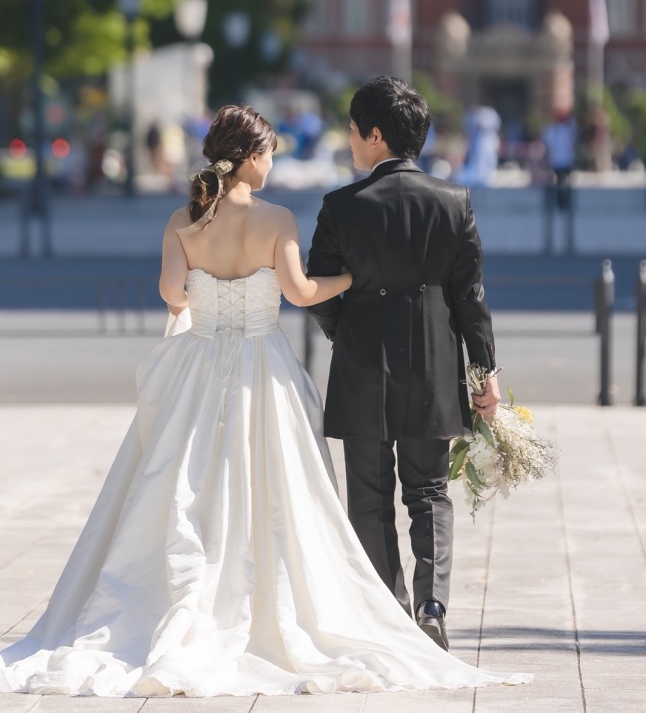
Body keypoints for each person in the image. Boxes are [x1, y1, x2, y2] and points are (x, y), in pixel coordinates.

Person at [0, 105, 526, 697]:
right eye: (270, 154)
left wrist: (208, 289)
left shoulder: (184, 218)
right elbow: (301, 292)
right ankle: (407, 609)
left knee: (189, 483)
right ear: (251, 157)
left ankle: (205, 596)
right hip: (263, 366)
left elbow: (173, 294)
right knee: (290, 486)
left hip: (198, 366)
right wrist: (350, 282)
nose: (272, 164)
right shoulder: (277, 219)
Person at [306, 77, 501, 654]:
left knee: (369, 496)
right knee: (430, 491)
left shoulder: (341, 206)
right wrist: (484, 371)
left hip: (362, 364)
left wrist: (345, 333)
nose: (348, 139)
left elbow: (318, 290)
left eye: (352, 130)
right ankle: (432, 606)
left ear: (375, 135)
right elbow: (470, 297)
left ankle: (390, 614)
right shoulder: (454, 201)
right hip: (434, 366)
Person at [541, 109, 578, 210]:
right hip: (558, 162)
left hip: (564, 161)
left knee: (563, 183)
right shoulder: (554, 130)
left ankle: (564, 201)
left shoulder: (567, 130)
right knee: (558, 183)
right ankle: (560, 201)